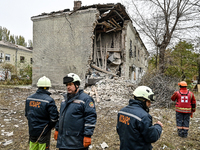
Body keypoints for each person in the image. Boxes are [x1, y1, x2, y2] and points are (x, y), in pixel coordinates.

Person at [54, 73, 97, 150]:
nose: (68, 87)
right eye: (67, 85)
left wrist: (88, 135)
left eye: (70, 84)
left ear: (77, 85)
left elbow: (90, 117)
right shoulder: (65, 100)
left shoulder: (86, 99)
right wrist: (57, 129)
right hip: (63, 142)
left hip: (76, 142)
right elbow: (61, 115)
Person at [116, 86, 163, 150]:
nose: (150, 104)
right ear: (143, 100)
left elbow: (119, 130)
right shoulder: (143, 117)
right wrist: (158, 126)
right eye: (149, 101)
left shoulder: (122, 112)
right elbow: (152, 137)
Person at [25, 76, 59, 150]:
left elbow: (27, 115)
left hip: (32, 129)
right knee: (43, 148)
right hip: (44, 131)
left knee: (33, 147)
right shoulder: (49, 100)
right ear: (48, 87)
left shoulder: (29, 98)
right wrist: (51, 126)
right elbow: (54, 118)